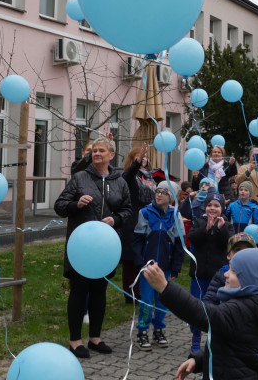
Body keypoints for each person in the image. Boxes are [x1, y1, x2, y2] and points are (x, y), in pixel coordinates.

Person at [143, 247, 258, 380]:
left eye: (232, 271)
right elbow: (228, 352)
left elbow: (202, 314)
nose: (226, 274)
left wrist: (165, 288)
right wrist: (199, 361)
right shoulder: (248, 305)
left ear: (248, 279)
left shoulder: (241, 310)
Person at [54, 136, 133, 359]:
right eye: (94, 151)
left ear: (111, 155)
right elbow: (59, 206)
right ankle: (75, 341)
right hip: (82, 247)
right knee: (79, 291)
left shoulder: (120, 181)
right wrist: (76, 204)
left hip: (106, 247)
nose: (96, 154)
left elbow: (128, 209)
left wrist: (116, 220)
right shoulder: (80, 178)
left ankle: (95, 338)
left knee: (100, 291)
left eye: (101, 151)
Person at [204, 233, 258, 364]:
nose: (242, 254)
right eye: (237, 250)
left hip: (255, 343)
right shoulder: (223, 276)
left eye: (248, 250)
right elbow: (208, 301)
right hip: (227, 338)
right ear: (228, 255)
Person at [132, 180, 185, 350]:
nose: (159, 194)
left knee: (162, 301)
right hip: (148, 268)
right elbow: (138, 240)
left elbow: (179, 244)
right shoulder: (145, 212)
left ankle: (159, 329)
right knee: (146, 300)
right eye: (157, 191)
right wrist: (140, 262)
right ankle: (142, 331)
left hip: (165, 267)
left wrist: (176, 267)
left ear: (171, 197)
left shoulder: (176, 215)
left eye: (164, 192)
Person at [187, 192, 232, 352]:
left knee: (216, 308)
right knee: (197, 307)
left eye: (216, 205)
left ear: (222, 208)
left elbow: (227, 244)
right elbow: (193, 238)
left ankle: (214, 340)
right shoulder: (200, 222)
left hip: (218, 277)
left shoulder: (226, 224)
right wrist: (206, 229)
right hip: (199, 275)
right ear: (205, 207)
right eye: (209, 205)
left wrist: (219, 230)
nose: (212, 208)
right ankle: (196, 339)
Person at [120, 147, 157, 303]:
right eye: (140, 156)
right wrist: (136, 163)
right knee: (130, 258)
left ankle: (141, 289)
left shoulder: (149, 176)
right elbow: (129, 175)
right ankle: (130, 292)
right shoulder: (128, 175)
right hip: (132, 219)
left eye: (145, 156)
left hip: (148, 218)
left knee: (142, 256)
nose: (143, 158)